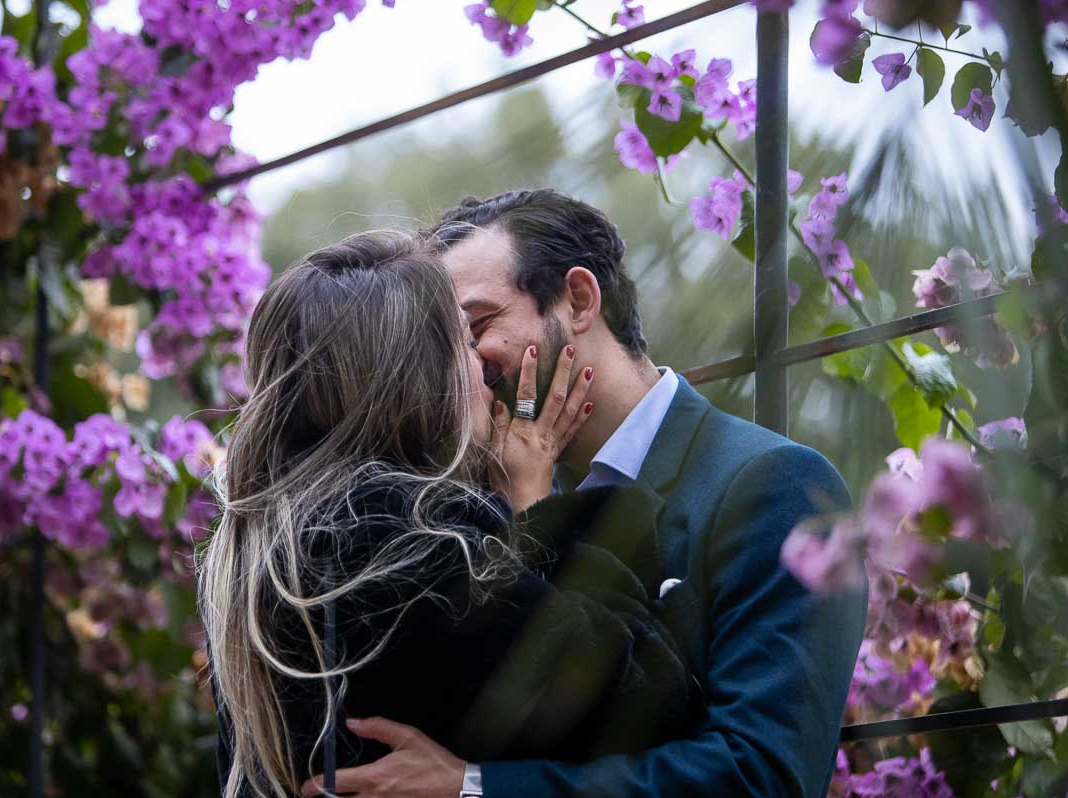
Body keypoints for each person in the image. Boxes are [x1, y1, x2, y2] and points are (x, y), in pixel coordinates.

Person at [312, 190, 868, 798]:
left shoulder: (776, 486)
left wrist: (475, 787)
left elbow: (762, 777)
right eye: (444, 346)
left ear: (578, 299)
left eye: (476, 328)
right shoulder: (477, 497)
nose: (463, 366)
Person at [198, 230, 702, 798]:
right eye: (466, 340)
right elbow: (648, 701)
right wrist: (538, 512)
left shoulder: (262, 544)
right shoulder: (410, 541)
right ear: (419, 373)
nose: (484, 368)